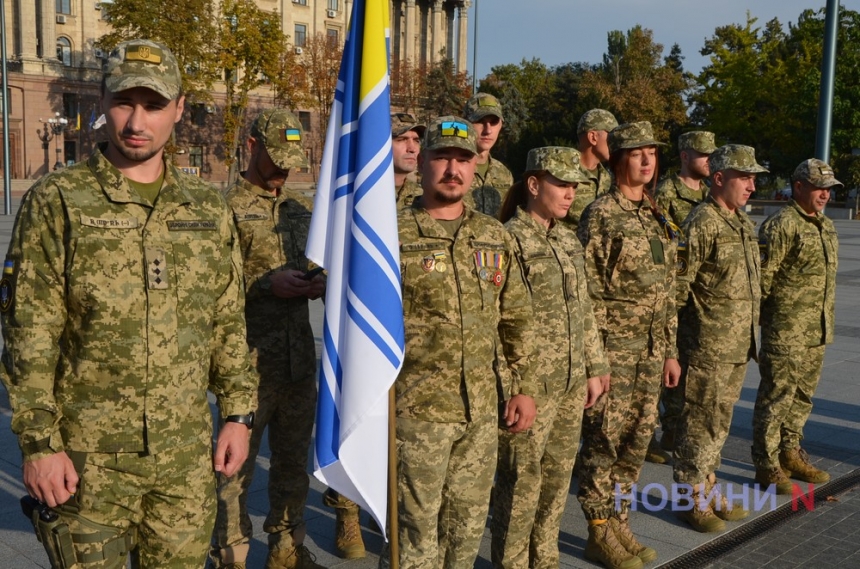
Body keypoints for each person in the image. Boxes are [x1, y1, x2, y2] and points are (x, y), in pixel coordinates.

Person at [0, 39, 257, 568]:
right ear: (100, 99)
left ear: (180, 109)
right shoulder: (58, 200)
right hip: (86, 465)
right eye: (123, 102)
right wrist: (39, 444)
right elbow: (30, 331)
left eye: (155, 105)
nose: (136, 121)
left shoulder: (207, 209)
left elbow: (228, 320)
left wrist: (238, 413)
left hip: (184, 462)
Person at [395, 115, 537, 568]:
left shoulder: (493, 235)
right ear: (422, 164)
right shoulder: (390, 235)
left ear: (476, 166)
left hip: (481, 412)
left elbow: (516, 317)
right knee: (413, 540)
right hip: (416, 415)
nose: (453, 170)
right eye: (442, 158)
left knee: (465, 534)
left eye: (463, 159)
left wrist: (523, 387)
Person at [210, 109, 327, 569]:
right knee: (234, 471)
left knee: (292, 464)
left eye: (292, 162)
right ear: (252, 145)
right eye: (277, 158)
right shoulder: (223, 209)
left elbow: (314, 264)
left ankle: (286, 548)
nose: (284, 170)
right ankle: (232, 556)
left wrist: (318, 282)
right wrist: (264, 285)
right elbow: (208, 290)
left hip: (299, 361)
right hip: (247, 366)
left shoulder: (299, 208)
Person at [491, 147, 610, 569]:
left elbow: (585, 309)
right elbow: (498, 322)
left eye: (575, 185)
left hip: (569, 383)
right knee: (520, 485)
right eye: (561, 183)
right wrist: (513, 387)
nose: (570, 192)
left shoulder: (565, 237)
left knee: (558, 480)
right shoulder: (507, 237)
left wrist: (595, 367)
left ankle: (545, 558)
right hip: (531, 389)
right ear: (534, 184)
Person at [576, 122, 681, 569]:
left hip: (651, 354)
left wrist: (671, 351)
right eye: (637, 153)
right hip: (614, 352)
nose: (646, 160)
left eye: (652, 153)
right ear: (618, 158)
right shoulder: (601, 213)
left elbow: (668, 290)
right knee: (603, 443)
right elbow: (586, 291)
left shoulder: (656, 214)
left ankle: (619, 519)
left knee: (636, 443)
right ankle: (598, 530)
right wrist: (594, 360)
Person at [672, 144, 767, 533]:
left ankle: (707, 485)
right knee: (698, 424)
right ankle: (689, 497)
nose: (751, 185)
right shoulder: (702, 223)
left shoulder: (742, 223)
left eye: (753, 177)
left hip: (735, 347)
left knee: (719, 424)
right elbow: (678, 288)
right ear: (718, 179)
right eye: (744, 177)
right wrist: (671, 350)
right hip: (706, 347)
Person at [752, 158, 839, 493]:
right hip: (785, 331)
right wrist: (765, 323)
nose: (825, 195)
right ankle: (766, 463)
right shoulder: (781, 225)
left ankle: (790, 452)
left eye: (829, 189)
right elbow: (763, 281)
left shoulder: (825, 225)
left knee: (802, 396)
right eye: (819, 187)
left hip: (816, 330)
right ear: (799, 186)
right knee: (776, 397)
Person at [648, 130, 717, 464]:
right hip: (674, 288)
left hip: (700, 295)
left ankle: (676, 430)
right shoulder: (666, 192)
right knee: (668, 365)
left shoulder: (707, 193)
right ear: (685, 156)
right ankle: (661, 430)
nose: (708, 160)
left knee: (689, 367)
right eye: (703, 154)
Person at [564, 108, 618, 227]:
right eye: (611, 136)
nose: (616, 143)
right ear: (593, 137)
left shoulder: (609, 179)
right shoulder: (563, 174)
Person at [462, 92, 514, 216]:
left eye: (494, 122)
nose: (488, 130)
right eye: (480, 122)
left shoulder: (504, 174)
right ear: (465, 124)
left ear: (500, 125)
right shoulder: (453, 170)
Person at [391, 112, 426, 210]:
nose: (412, 149)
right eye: (401, 139)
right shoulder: (364, 193)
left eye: (416, 141)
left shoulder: (422, 195)